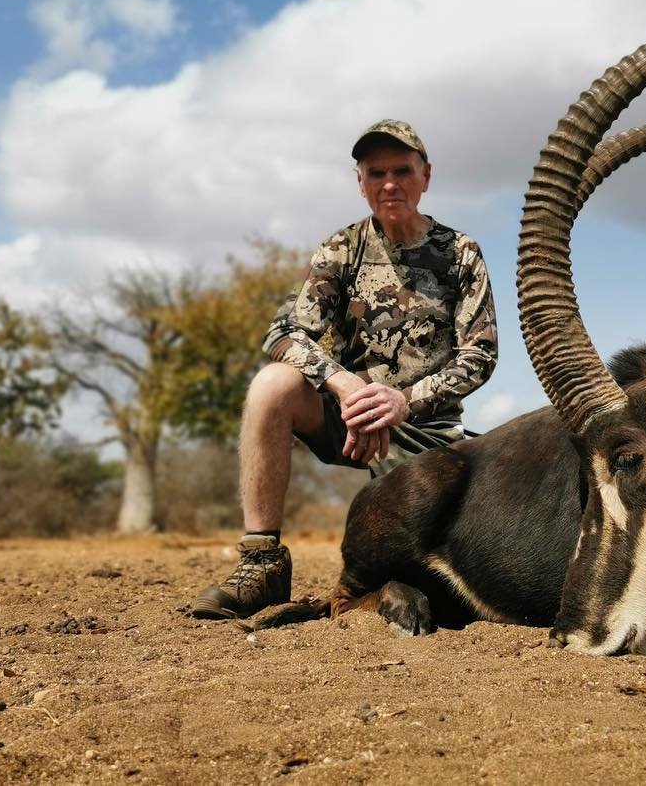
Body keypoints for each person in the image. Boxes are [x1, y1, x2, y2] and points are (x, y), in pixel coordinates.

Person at [192, 120, 498, 620]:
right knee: (273, 385)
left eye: (403, 170)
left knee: (458, 562)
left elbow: (480, 355)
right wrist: (346, 384)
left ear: (426, 176)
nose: (390, 184)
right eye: (376, 172)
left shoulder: (460, 252)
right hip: (351, 423)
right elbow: (283, 335)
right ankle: (261, 563)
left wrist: (404, 401)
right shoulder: (342, 248)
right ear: (360, 181)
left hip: (428, 433)